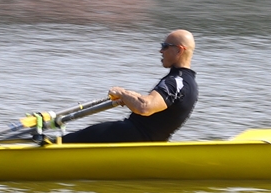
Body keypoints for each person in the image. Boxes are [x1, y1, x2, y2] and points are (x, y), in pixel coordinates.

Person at [62, 29, 197, 144]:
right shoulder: (188, 83)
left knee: (66, 141)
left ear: (179, 50)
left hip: (133, 135)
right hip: (143, 139)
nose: (160, 50)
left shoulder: (176, 82)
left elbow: (144, 107)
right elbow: (153, 102)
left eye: (165, 46)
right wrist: (128, 95)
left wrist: (122, 94)